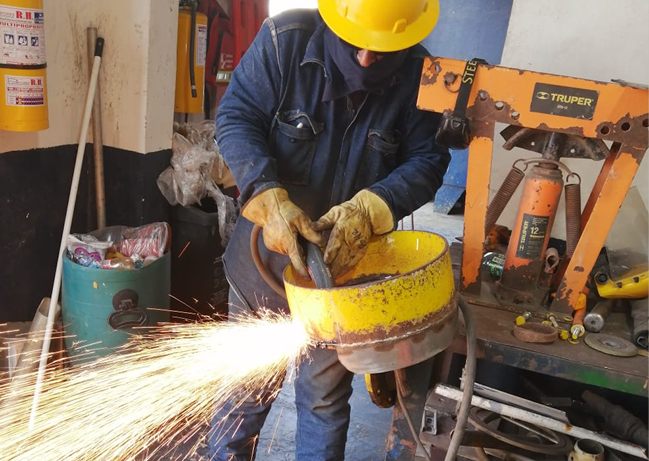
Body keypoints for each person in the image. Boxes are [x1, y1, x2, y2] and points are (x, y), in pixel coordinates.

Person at [209, 1, 450, 459]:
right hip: (264, 265)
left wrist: (373, 207)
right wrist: (266, 194)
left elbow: (429, 161)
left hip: (341, 275)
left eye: (382, 51)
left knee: (322, 400)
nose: (366, 59)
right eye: (356, 45)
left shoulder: (422, 76)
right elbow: (236, 116)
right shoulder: (283, 42)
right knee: (246, 390)